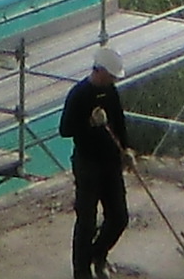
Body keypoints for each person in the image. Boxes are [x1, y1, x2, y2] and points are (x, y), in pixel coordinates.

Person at [57, 57, 132, 275]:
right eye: (110, 75)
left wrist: (126, 149)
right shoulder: (79, 94)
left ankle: (96, 254)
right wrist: (89, 122)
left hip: (111, 162)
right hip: (88, 163)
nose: (113, 80)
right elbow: (65, 129)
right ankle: (81, 272)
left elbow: (119, 122)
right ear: (99, 71)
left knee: (119, 217)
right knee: (87, 222)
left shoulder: (111, 92)